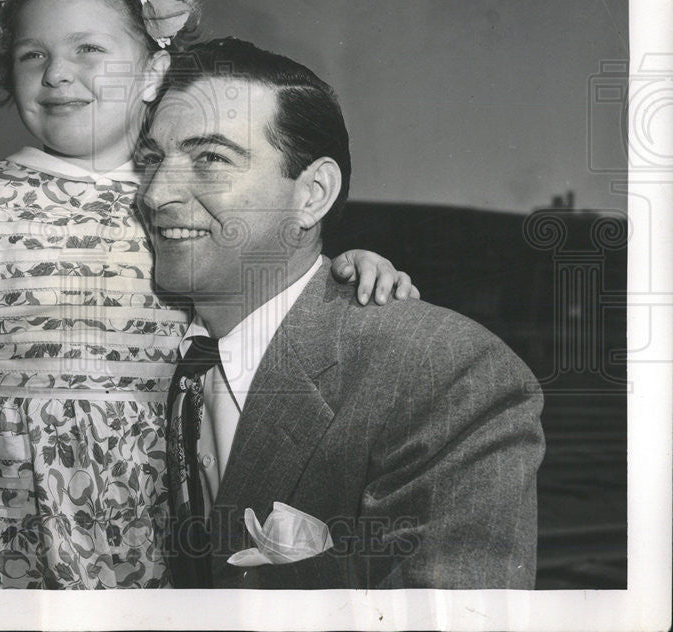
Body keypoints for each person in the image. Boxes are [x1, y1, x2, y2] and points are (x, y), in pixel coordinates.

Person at [0, 0, 417, 591]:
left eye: (89, 49)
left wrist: (349, 270)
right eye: (33, 55)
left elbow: (272, 290)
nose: (58, 73)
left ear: (152, 71)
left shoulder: (182, 208)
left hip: (140, 514)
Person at [135, 37, 545, 589]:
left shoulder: (442, 372)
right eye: (152, 159)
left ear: (313, 194)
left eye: (210, 158)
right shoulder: (138, 341)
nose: (157, 193)